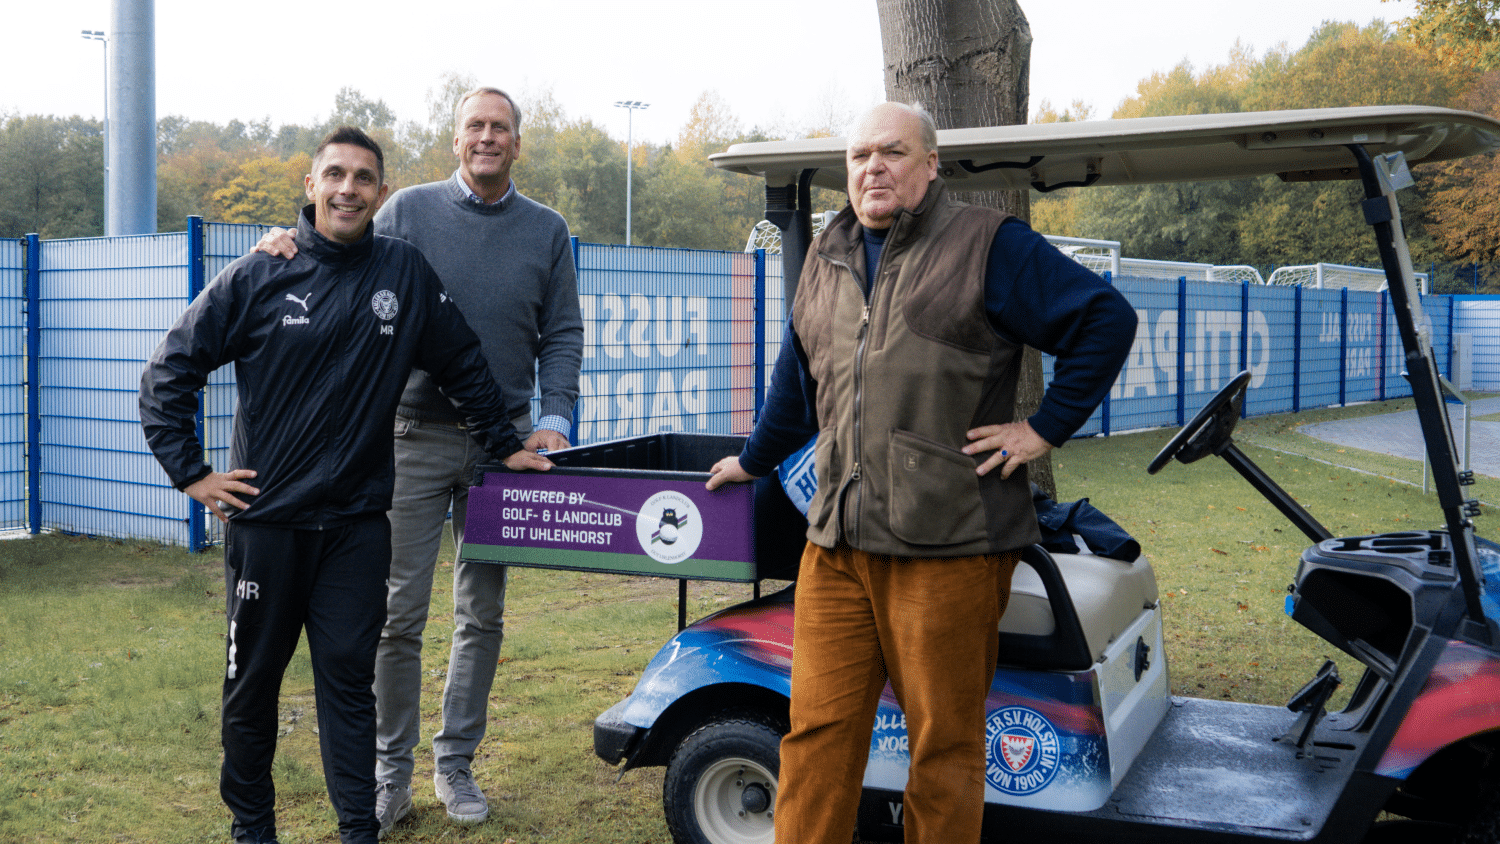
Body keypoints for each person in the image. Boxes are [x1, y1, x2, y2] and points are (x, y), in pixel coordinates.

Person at [705, 102, 1138, 844]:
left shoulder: (987, 244)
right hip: (836, 549)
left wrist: (1041, 430)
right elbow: (796, 382)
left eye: (893, 152)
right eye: (860, 155)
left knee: (942, 747)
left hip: (950, 547)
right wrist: (750, 460)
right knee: (814, 733)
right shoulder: (828, 251)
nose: (873, 167)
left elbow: (1106, 320)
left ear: (930, 164)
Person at [140, 126, 552, 844]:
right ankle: (253, 830)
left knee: (347, 692)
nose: (348, 189)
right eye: (335, 175)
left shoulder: (404, 274)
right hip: (268, 528)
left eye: (363, 178)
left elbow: (464, 365)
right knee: (251, 690)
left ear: (381, 195)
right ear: (311, 186)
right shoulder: (261, 272)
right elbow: (168, 373)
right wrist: (194, 474)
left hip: (359, 529)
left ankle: (358, 830)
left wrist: (506, 445)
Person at [253, 86, 583, 834]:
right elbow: (336, 243)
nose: (487, 138)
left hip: (508, 451)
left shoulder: (548, 230)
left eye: (501, 128)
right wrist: (283, 239)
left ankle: (455, 766)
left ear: (517, 144)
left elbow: (561, 333)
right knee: (395, 616)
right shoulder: (405, 212)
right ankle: (387, 773)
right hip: (411, 436)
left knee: (481, 615)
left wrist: (555, 418)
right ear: (455, 139)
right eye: (475, 126)